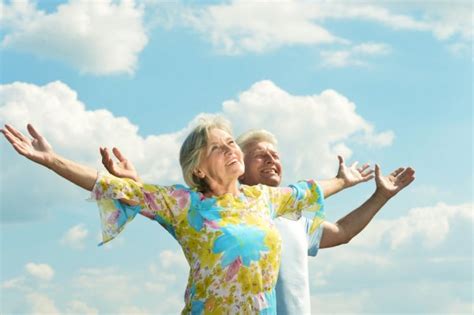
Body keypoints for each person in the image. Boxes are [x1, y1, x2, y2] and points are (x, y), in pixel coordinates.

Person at [1, 117, 327, 314]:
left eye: (232, 143)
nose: (231, 150)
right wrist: (51, 159)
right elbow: (110, 186)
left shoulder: (263, 200)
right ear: (197, 168)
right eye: (218, 147)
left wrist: (351, 180)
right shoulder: (186, 205)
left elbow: (309, 189)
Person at [101, 129, 415, 314]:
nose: (271, 160)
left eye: (275, 155)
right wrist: (134, 183)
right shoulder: (210, 214)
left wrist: (380, 196)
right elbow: (154, 202)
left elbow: (343, 232)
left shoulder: (290, 217)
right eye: (260, 155)